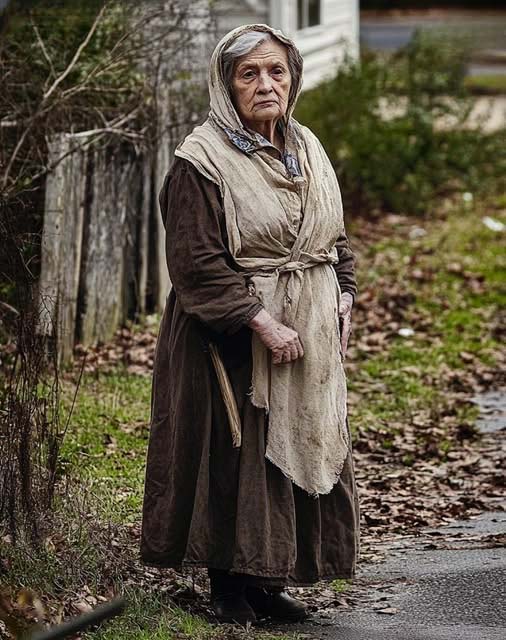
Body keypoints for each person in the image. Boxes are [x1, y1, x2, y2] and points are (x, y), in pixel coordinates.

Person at [140, 23, 360, 626]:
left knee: (294, 447)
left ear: (293, 79)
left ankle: (268, 580)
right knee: (235, 449)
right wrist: (261, 321)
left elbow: (332, 235)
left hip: (307, 323)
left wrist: (343, 296)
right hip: (228, 337)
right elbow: (196, 262)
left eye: (276, 72)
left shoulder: (307, 145)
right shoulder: (200, 160)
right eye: (249, 74)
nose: (266, 84)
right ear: (226, 84)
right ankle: (228, 589)